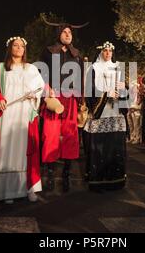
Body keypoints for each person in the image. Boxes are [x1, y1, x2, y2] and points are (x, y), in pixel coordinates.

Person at [0, 36, 43, 204]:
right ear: (10, 48)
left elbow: (40, 86)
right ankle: (7, 191)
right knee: (7, 150)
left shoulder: (30, 68)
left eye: (21, 46)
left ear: (24, 50)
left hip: (24, 113)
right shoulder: (1, 68)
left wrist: (34, 94)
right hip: (7, 114)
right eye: (15, 45)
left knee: (25, 151)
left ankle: (29, 188)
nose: (18, 48)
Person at [39, 18, 87, 192]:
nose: (68, 35)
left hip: (71, 99)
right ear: (58, 34)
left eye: (70, 32)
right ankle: (50, 174)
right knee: (50, 135)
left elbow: (81, 78)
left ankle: (66, 175)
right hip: (54, 98)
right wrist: (47, 88)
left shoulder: (78, 55)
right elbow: (40, 73)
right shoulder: (48, 52)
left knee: (71, 137)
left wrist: (81, 99)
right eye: (64, 32)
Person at [84, 41, 127, 192]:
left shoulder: (118, 68)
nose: (108, 53)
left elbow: (124, 90)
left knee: (114, 147)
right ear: (101, 52)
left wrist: (122, 92)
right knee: (100, 148)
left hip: (115, 112)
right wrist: (106, 93)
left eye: (110, 51)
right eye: (105, 51)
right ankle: (98, 181)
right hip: (101, 113)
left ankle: (115, 180)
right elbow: (89, 90)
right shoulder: (94, 68)